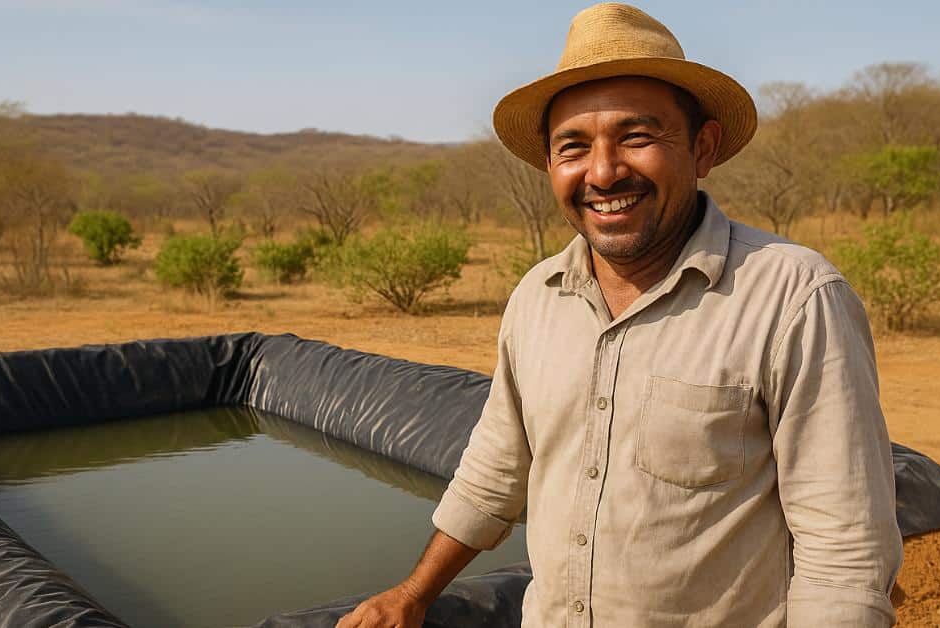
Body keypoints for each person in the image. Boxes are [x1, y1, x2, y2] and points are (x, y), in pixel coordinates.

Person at [336, 3, 902, 627]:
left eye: (637, 137)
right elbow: (495, 472)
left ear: (702, 147)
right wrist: (413, 593)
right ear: (551, 166)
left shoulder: (793, 297)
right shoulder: (536, 297)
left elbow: (845, 550)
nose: (603, 173)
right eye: (572, 147)